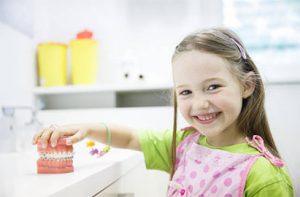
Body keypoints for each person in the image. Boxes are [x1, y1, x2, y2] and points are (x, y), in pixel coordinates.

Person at [32, 27, 294, 196]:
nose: (200, 103)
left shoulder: (264, 175)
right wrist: (87, 128)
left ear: (246, 86)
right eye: (186, 92)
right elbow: (132, 138)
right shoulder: (184, 145)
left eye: (212, 87)